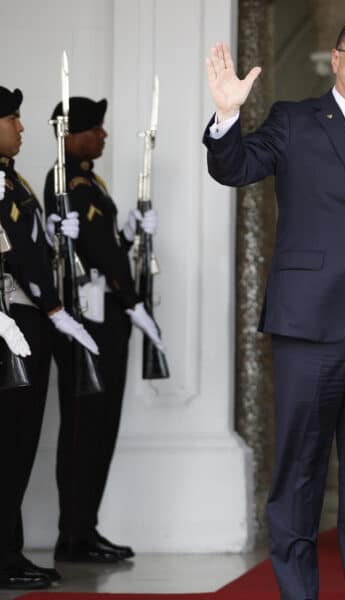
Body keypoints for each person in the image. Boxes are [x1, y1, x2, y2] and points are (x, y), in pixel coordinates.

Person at [203, 16, 345, 600]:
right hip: (309, 324)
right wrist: (227, 118)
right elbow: (234, 167)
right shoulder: (295, 120)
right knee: (300, 472)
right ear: (335, 59)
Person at [44, 96, 163, 563]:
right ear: (72, 135)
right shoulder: (69, 182)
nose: (104, 135)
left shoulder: (87, 180)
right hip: (88, 324)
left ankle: (83, 530)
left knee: (99, 429)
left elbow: (105, 245)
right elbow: (100, 254)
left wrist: (131, 232)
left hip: (102, 319)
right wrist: (133, 302)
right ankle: (73, 535)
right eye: (95, 128)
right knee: (84, 431)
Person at [0, 85, 94, 590]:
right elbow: (16, 257)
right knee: (10, 444)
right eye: (12, 118)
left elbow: (32, 244)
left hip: (29, 315)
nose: (21, 127)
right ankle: (4, 556)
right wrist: (55, 307)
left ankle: (8, 551)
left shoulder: (12, 181)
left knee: (18, 445)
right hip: (15, 319)